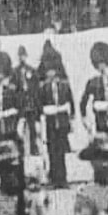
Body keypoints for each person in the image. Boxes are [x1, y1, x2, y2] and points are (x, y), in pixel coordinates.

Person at [38, 46, 75, 188]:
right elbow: (39, 105)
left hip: (63, 121)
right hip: (50, 122)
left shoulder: (64, 86)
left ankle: (63, 179)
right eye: (49, 70)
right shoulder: (43, 88)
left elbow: (70, 103)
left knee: (62, 150)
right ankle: (54, 178)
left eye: (53, 70)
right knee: (52, 150)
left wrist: (72, 119)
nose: (51, 73)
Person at [80, 42, 108, 142]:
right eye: (99, 64)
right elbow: (83, 102)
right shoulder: (92, 82)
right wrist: (85, 118)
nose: (102, 67)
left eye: (104, 64)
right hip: (100, 120)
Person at [13, 46, 41, 156]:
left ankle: (34, 148)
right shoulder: (14, 72)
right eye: (20, 56)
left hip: (31, 103)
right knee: (19, 128)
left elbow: (35, 88)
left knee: (32, 128)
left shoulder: (32, 70)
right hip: (20, 104)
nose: (22, 58)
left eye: (23, 56)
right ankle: (20, 149)